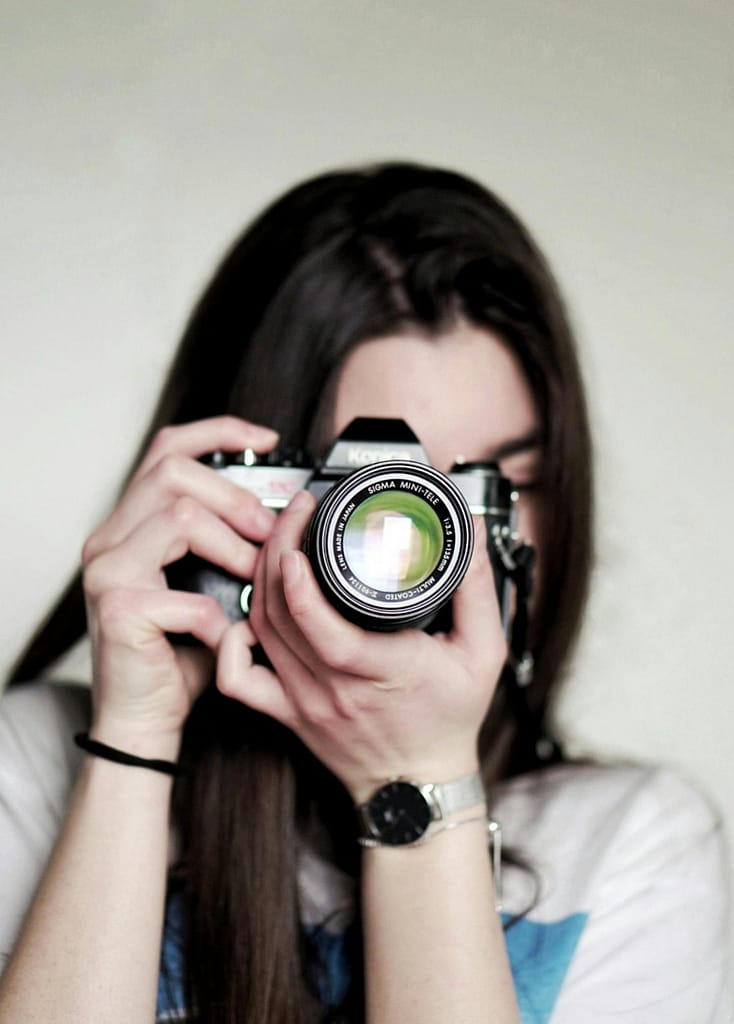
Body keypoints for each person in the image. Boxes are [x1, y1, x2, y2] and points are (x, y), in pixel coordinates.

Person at [0, 162, 729, 1024]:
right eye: (376, 488)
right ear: (239, 492)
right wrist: (133, 743)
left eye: (493, 484)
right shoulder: (36, 769)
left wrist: (418, 780)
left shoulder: (628, 848)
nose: (437, 540)